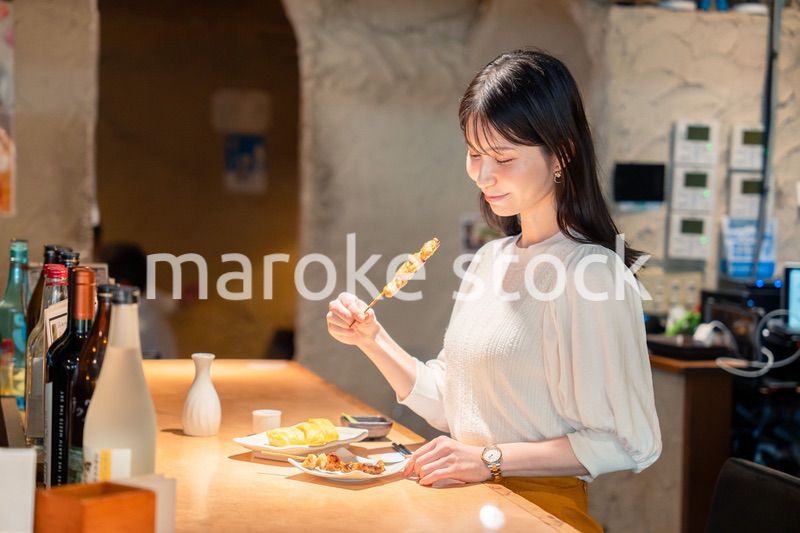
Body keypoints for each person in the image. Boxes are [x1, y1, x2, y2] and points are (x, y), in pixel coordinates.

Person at [326, 50, 661, 532]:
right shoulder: (489, 259)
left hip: (536, 514)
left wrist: (489, 459)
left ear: (562, 152)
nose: (483, 176)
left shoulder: (593, 275)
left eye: (503, 158)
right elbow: (455, 405)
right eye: (474, 153)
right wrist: (372, 340)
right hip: (464, 506)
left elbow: (629, 442)